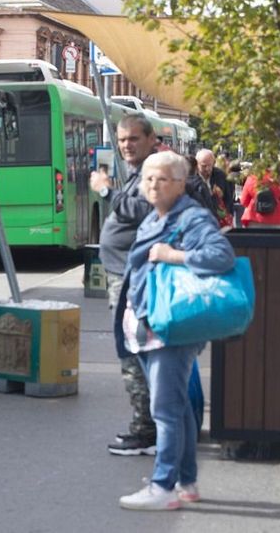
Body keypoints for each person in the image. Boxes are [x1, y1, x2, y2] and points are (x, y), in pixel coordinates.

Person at [118, 151, 235, 511]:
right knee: (179, 406)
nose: (152, 184)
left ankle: (162, 486)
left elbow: (222, 256)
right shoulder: (159, 215)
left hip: (171, 326)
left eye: (162, 178)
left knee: (165, 409)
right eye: (148, 178)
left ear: (181, 184)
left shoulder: (192, 217)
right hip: (155, 324)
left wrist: (174, 256)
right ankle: (186, 481)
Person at [88, 113, 162, 457]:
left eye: (133, 139)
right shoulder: (138, 173)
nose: (126, 146)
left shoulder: (154, 172)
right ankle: (148, 424)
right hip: (123, 273)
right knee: (135, 348)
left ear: (150, 139)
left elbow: (143, 210)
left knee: (133, 350)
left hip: (132, 277)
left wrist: (105, 190)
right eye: (121, 140)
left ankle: (145, 428)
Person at [195, 148, 233, 227]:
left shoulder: (221, 176)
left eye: (210, 165)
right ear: (197, 164)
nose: (208, 169)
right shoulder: (191, 178)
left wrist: (228, 214)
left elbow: (229, 198)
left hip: (218, 220)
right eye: (204, 166)